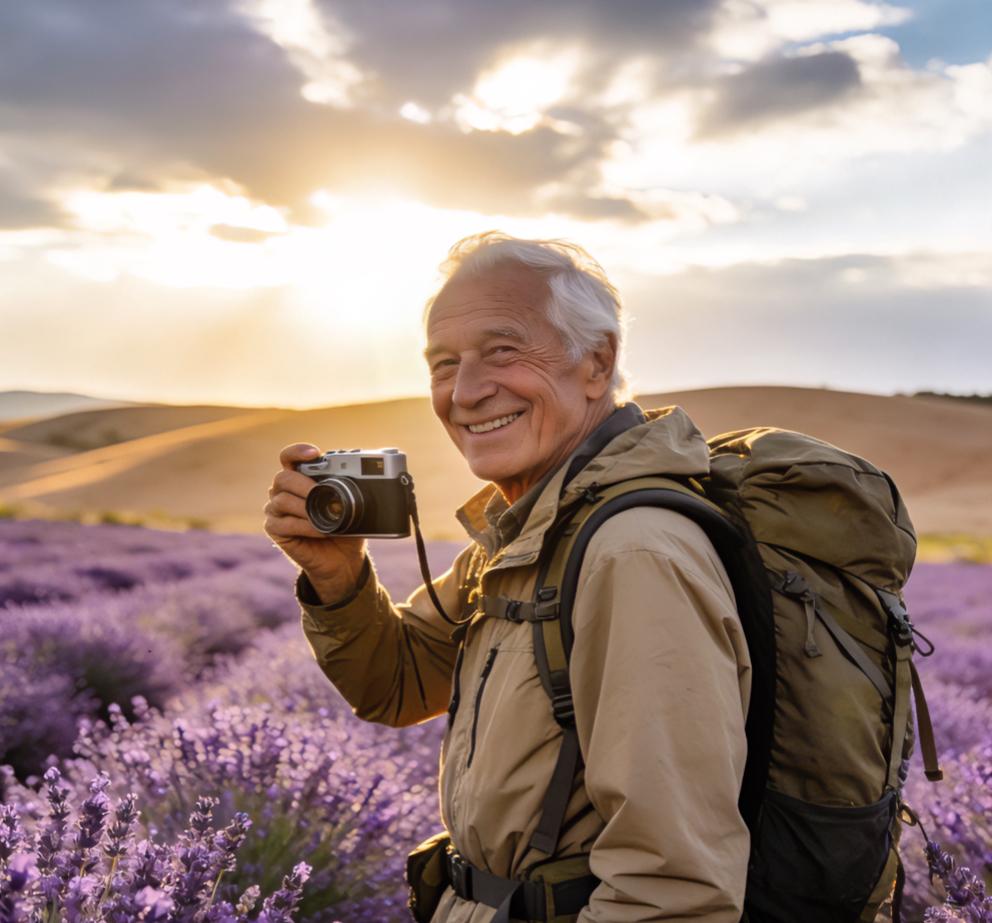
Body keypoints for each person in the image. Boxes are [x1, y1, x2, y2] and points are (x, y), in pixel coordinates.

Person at [263, 232, 752, 922]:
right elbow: (397, 685)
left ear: (597, 361)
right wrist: (341, 580)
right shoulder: (528, 531)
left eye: (502, 350)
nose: (464, 392)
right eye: (443, 363)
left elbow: (670, 891)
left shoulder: (631, 553)